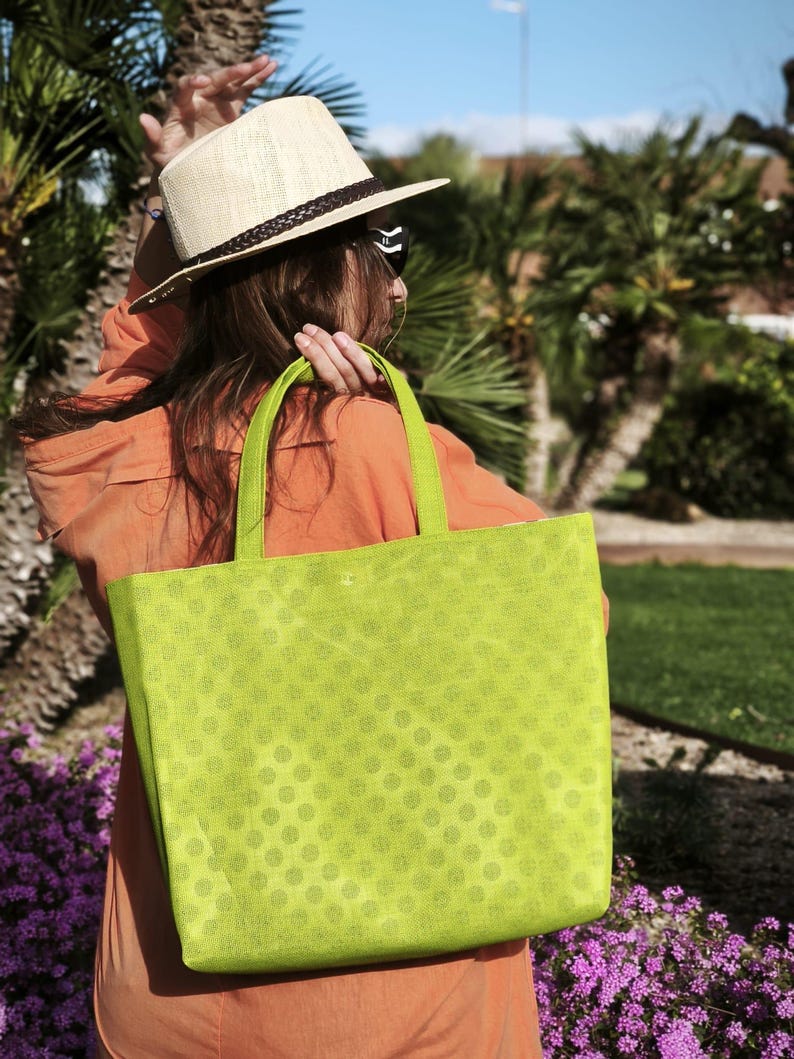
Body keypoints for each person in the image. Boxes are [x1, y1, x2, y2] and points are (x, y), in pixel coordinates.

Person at [13, 57, 604, 1058]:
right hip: (401, 996)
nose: (397, 274)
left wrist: (184, 203)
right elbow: (558, 614)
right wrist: (377, 410)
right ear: (322, 273)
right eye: (379, 244)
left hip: (175, 992)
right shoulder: (376, 448)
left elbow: (125, 369)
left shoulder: (115, 461)